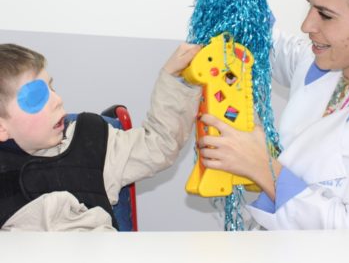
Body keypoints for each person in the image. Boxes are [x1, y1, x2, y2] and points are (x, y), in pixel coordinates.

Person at [197, 0, 349, 229]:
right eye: (310, 5)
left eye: (326, 15)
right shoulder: (319, 62)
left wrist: (265, 168)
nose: (307, 25)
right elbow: (260, 37)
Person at [0, 42, 201, 231]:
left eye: (52, 88)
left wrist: (175, 78)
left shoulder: (92, 143)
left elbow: (160, 144)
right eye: (37, 97)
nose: (58, 100)